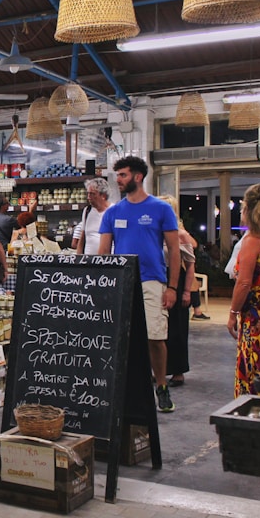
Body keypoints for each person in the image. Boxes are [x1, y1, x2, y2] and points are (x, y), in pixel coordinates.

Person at [99, 156, 180, 413]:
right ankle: (122, 388)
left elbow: (175, 250)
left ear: (137, 176)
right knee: (121, 339)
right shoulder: (112, 212)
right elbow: (103, 254)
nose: (118, 181)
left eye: (122, 175)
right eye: (117, 176)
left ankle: (161, 387)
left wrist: (173, 287)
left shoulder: (161, 209)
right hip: (120, 284)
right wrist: (102, 284)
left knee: (155, 337)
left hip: (152, 281)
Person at [227, 183, 260, 398]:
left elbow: (244, 282)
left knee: (253, 367)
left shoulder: (252, 241)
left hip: (255, 318)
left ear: (248, 209)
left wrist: (233, 313)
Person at [158, 195, 196, 388]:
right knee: (158, 327)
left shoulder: (180, 234)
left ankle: (178, 370)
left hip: (176, 279)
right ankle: (160, 370)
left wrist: (187, 291)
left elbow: (190, 266)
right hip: (157, 277)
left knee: (177, 327)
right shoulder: (154, 231)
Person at [76, 177, 111, 255]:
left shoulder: (113, 211)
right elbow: (82, 236)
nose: (88, 197)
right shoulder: (87, 211)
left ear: (103, 196)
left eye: (92, 194)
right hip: (88, 262)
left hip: (107, 262)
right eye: (88, 193)